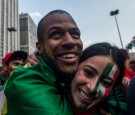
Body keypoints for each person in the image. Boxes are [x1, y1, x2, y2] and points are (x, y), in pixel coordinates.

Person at [4, 10, 83, 115]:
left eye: (75, 34)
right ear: (39, 47)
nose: (70, 41)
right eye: (56, 34)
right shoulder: (25, 81)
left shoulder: (79, 73)